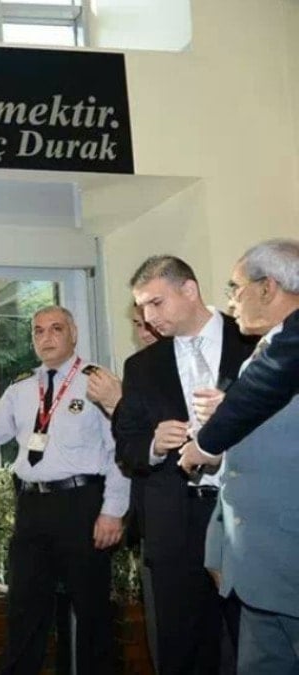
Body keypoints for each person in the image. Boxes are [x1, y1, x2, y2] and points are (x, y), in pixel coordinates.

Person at [0, 305, 128, 675]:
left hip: (82, 506)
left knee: (92, 613)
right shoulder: (22, 388)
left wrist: (113, 509)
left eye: (56, 329)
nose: (46, 337)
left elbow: (120, 450)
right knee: (23, 610)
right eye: (38, 331)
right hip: (32, 507)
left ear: (73, 334)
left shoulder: (97, 382)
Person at [113, 254, 255, 674]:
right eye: (142, 308)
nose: (148, 317)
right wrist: (154, 445)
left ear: (189, 290)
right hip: (175, 525)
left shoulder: (254, 341)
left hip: (246, 515)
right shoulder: (142, 367)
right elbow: (127, 446)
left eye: (156, 303)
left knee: (254, 644)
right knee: (183, 651)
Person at [173, 239, 299, 674]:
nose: (230, 301)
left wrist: (204, 443)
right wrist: (220, 544)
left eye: (235, 288)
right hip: (258, 565)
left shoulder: (284, 352)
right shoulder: (264, 351)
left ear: (268, 287)